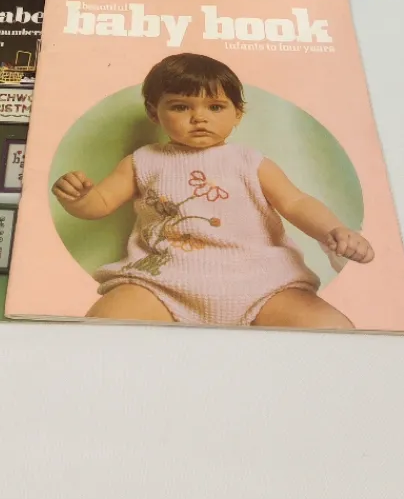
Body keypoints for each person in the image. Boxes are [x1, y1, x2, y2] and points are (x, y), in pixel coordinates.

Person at [52, 53, 373, 330]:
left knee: (331, 329)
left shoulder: (249, 161)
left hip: (263, 282)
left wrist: (334, 230)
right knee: (104, 325)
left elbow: (296, 202)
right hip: (163, 282)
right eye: (180, 107)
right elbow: (101, 202)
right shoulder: (143, 160)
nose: (199, 118)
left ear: (238, 113)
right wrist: (80, 199)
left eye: (216, 107)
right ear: (154, 113)